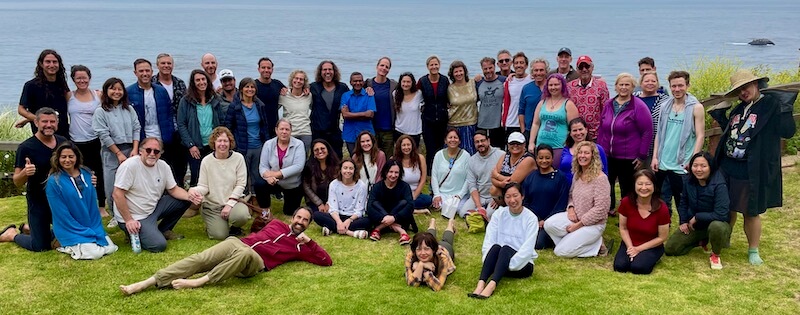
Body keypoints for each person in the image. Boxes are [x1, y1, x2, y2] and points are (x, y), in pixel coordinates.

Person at [119, 207, 331, 295]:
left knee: (247, 253)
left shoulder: (300, 247)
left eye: (305, 220)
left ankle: (200, 281)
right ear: (292, 218)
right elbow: (257, 230)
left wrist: (310, 242)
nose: (300, 222)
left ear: (308, 224)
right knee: (199, 258)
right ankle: (148, 282)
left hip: (254, 262)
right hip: (237, 244)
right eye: (298, 218)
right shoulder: (276, 224)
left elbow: (326, 261)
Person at [709, 70, 796, 265]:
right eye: (739, 89)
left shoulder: (770, 105)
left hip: (752, 167)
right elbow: (734, 134)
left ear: (756, 84)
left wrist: (786, 108)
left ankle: (753, 250)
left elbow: (788, 132)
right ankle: (724, 237)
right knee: (727, 206)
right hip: (728, 165)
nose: (743, 92)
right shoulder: (740, 108)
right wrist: (720, 114)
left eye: (746, 87)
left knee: (751, 210)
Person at [112, 137, 197, 252]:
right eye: (148, 150)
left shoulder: (163, 166)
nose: (152, 154)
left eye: (156, 151)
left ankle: (163, 230)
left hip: (153, 209)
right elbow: (117, 194)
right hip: (135, 216)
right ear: (140, 151)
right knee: (158, 245)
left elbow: (174, 189)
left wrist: (191, 197)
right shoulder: (129, 166)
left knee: (185, 199)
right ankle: (133, 233)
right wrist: (129, 220)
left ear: (160, 153)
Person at [0, 108, 68, 251]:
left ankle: (32, 230)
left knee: (71, 235)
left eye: (52, 122)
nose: (48, 125)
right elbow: (17, 182)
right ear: (36, 122)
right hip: (38, 201)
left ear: (57, 123)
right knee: (41, 246)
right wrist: (25, 172)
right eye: (44, 121)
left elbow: (74, 167)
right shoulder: (26, 147)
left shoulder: (63, 142)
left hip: (61, 199)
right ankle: (12, 234)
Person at [46, 142, 118, 260]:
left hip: (90, 225)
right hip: (69, 227)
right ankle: (62, 243)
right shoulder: (54, 181)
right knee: (95, 254)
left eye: (71, 156)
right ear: (58, 159)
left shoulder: (86, 174)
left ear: (77, 157)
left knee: (111, 247)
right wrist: (83, 231)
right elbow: (61, 213)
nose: (67, 160)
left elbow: (92, 206)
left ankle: (84, 242)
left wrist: (94, 228)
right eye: (63, 157)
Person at [469, 183, 538, 299]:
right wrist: (488, 260)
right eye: (508, 197)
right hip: (499, 262)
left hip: (521, 265)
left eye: (515, 196)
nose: (512, 200)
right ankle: (480, 285)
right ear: (504, 199)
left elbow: (527, 249)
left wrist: (505, 265)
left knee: (506, 249)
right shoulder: (499, 214)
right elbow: (489, 241)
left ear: (522, 196)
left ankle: (491, 285)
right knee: (496, 247)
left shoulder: (531, 218)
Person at [664, 152, 732, 270]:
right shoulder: (688, 181)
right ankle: (701, 240)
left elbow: (721, 214)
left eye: (703, 166)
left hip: (717, 223)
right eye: (695, 165)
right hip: (695, 225)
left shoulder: (719, 184)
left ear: (711, 167)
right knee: (671, 249)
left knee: (716, 227)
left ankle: (715, 254)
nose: (698, 169)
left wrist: (697, 217)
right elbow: (683, 202)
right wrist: (683, 221)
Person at [544, 141, 611, 258]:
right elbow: (571, 195)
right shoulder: (577, 175)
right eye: (580, 152)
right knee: (549, 224)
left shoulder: (601, 179)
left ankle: (596, 245)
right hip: (575, 218)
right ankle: (573, 242)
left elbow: (601, 209)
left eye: (586, 153)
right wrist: (570, 208)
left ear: (593, 156)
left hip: (593, 225)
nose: (582, 156)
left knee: (560, 252)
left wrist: (579, 225)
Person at [651, 71, 705, 214]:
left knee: (683, 203)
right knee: (661, 201)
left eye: (680, 85)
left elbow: (700, 136)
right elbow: (659, 133)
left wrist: (694, 160)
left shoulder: (696, 108)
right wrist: (655, 157)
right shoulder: (665, 106)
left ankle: (686, 230)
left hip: (682, 165)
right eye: (673, 86)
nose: (677, 89)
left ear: (687, 85)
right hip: (663, 162)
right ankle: (662, 229)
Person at [597, 73, 653, 212]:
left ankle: (626, 211)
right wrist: (598, 150)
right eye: (621, 84)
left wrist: (641, 155)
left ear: (633, 87)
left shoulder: (638, 106)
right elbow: (602, 128)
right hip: (608, 154)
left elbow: (647, 131)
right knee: (606, 182)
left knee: (626, 185)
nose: (623, 87)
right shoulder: (609, 104)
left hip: (628, 155)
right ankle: (608, 208)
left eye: (627, 85)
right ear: (615, 86)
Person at [92, 77, 141, 218]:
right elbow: (103, 134)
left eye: (119, 89)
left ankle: (132, 212)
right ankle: (116, 215)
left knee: (131, 183)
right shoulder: (100, 111)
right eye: (113, 88)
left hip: (131, 149)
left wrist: (135, 149)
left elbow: (136, 128)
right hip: (111, 151)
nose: (116, 92)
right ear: (106, 91)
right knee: (112, 184)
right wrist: (118, 153)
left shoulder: (129, 109)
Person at [190, 127, 250, 240]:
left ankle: (234, 227)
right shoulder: (206, 161)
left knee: (242, 215)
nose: (222, 144)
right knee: (220, 235)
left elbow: (241, 184)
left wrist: (229, 204)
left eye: (225, 141)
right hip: (213, 205)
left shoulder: (238, 158)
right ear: (214, 143)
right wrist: (194, 190)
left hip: (233, 203)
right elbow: (204, 186)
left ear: (230, 142)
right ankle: (213, 224)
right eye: (219, 141)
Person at [66, 65, 106, 216]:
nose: (82, 81)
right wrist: (26, 120)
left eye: (84, 77)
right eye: (78, 78)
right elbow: (56, 112)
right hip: (75, 141)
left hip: (94, 139)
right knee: (77, 172)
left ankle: (101, 205)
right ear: (73, 80)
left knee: (98, 173)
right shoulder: (69, 96)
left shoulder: (98, 95)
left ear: (89, 78)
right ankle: (81, 205)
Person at [614, 169, 670, 274]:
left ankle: (653, 256)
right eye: (640, 184)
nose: (643, 188)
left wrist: (638, 249)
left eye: (648, 184)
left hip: (652, 245)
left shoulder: (662, 208)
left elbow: (662, 237)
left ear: (654, 186)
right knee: (620, 266)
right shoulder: (626, 202)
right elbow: (623, 228)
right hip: (630, 242)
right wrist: (630, 247)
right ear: (634, 185)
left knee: (639, 268)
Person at [177, 69, 224, 186]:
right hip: (195, 146)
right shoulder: (186, 101)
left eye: (203, 79)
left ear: (208, 81)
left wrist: (219, 142)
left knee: (213, 175)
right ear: (193, 83)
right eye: (197, 80)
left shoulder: (215, 99)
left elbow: (221, 122)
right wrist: (191, 145)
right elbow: (181, 124)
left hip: (212, 145)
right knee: (196, 175)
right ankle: (195, 202)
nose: (201, 82)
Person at [225, 77, 270, 195]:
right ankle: (243, 200)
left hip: (258, 146)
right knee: (242, 176)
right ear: (241, 89)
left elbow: (264, 125)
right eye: (247, 87)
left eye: (252, 87)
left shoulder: (260, 105)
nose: (250, 89)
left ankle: (256, 198)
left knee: (257, 176)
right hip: (242, 147)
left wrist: (267, 143)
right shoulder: (235, 106)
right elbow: (228, 127)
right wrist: (232, 145)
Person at [522, 144, 569, 250]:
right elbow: (525, 201)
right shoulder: (531, 176)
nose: (544, 161)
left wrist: (546, 221)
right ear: (536, 159)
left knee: (538, 244)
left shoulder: (560, 177)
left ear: (552, 159)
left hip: (550, 222)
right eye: (541, 158)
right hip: (532, 219)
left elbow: (561, 204)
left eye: (547, 158)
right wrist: (535, 220)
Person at [153, 53, 189, 188]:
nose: (166, 66)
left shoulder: (179, 83)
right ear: (157, 65)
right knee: (163, 161)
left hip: (179, 129)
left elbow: (186, 105)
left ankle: (179, 188)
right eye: (163, 63)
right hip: (160, 129)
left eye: (169, 63)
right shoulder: (152, 83)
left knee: (180, 162)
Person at [527, 73, 579, 165]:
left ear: (562, 86)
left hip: (559, 147)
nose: (553, 87)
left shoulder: (568, 104)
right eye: (550, 85)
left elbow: (574, 128)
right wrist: (531, 142)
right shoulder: (542, 103)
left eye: (556, 84)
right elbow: (536, 124)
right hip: (541, 146)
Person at [16, 49, 70, 138]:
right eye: (48, 62)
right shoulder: (31, 85)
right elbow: (21, 109)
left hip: (63, 134)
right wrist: (37, 120)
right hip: (43, 134)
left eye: (55, 62)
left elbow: (70, 100)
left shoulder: (61, 84)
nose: (52, 65)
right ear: (41, 64)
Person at [312, 159, 371, 239]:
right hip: (337, 216)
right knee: (316, 215)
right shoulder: (334, 184)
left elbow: (359, 210)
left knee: (368, 221)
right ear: (340, 169)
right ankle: (351, 233)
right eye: (345, 168)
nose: (348, 171)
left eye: (351, 168)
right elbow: (333, 208)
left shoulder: (361, 186)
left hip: (353, 218)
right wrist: (339, 222)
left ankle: (331, 228)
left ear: (354, 170)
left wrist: (349, 220)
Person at [257, 119, 307, 215]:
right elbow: (263, 166)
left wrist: (276, 174)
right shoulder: (268, 144)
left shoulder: (299, 144)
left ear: (291, 131)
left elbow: (299, 166)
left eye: (287, 129)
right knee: (259, 184)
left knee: (289, 212)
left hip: (292, 184)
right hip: (273, 182)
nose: (284, 132)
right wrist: (268, 177)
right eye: (281, 129)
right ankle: (265, 211)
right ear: (276, 130)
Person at [127, 59, 175, 149]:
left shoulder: (161, 90)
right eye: (141, 71)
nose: (145, 74)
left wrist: (170, 133)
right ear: (135, 73)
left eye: (147, 70)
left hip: (163, 138)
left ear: (152, 72)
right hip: (141, 139)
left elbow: (169, 114)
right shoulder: (129, 92)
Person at [367, 160, 414, 244]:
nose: (393, 175)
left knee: (404, 202)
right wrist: (384, 217)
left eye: (396, 172)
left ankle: (378, 229)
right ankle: (401, 231)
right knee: (375, 203)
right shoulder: (377, 187)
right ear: (385, 172)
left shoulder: (405, 186)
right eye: (390, 172)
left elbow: (410, 206)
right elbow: (370, 206)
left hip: (399, 219)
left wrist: (394, 218)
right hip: (381, 218)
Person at [310, 60, 349, 158]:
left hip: (334, 131)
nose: (327, 72)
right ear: (320, 72)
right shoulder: (313, 87)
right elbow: (297, 93)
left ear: (334, 71)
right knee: (317, 160)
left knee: (336, 159)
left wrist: (367, 88)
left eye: (330, 69)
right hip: (317, 131)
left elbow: (353, 97)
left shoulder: (342, 88)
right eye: (324, 70)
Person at [461, 130, 504, 219]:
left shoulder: (501, 155)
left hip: (495, 196)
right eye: (477, 142)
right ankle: (480, 211)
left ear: (488, 141)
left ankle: (483, 214)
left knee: (489, 215)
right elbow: (472, 185)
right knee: (463, 213)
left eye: (482, 140)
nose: (480, 144)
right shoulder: (472, 160)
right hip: (480, 195)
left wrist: (499, 198)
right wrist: (479, 206)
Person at [405, 218, 457, 291]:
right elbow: (411, 283)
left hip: (445, 248)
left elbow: (437, 287)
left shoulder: (443, 257)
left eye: (426, 249)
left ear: (433, 250)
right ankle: (432, 223)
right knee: (427, 238)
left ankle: (450, 224)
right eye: (419, 249)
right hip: (431, 247)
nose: (422, 253)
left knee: (446, 241)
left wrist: (421, 269)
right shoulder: (410, 256)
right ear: (414, 250)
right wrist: (421, 265)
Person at [418, 55, 450, 172]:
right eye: (431, 65)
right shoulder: (422, 81)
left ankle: (441, 171)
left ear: (439, 65)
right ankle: (429, 174)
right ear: (427, 67)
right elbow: (414, 94)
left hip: (442, 119)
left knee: (441, 148)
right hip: (428, 120)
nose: (434, 67)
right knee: (430, 148)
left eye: (436, 64)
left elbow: (449, 96)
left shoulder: (444, 80)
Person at [430, 128, 470, 219]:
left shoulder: (466, 156)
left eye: (455, 138)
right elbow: (434, 176)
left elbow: (469, 178)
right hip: (442, 193)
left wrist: (460, 195)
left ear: (459, 141)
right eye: (450, 137)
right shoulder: (438, 155)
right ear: (445, 140)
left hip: (459, 194)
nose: (452, 140)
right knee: (438, 205)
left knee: (460, 209)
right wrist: (436, 194)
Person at [567, 55, 610, 140]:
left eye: (587, 66)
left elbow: (606, 110)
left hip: (595, 135)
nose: (584, 69)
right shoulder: (569, 86)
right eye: (581, 67)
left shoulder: (601, 86)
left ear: (592, 68)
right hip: (576, 134)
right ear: (577, 69)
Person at [365, 57, 398, 157]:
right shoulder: (368, 83)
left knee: (387, 159)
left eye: (387, 67)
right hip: (372, 128)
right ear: (377, 66)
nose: (384, 68)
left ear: (389, 70)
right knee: (372, 157)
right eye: (382, 65)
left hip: (388, 129)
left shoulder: (394, 85)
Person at [560, 117, 608, 185]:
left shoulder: (597, 148)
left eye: (580, 129)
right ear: (570, 133)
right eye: (575, 130)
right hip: (566, 189)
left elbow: (604, 171)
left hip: (588, 189)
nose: (578, 133)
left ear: (586, 130)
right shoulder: (566, 150)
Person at [491, 132, 535, 201]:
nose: (515, 145)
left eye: (518, 143)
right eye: (512, 143)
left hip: (522, 196)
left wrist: (497, 175)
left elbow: (512, 182)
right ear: (508, 145)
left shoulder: (528, 159)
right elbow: (492, 179)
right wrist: (501, 184)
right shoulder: (504, 156)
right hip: (505, 195)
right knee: (493, 190)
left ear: (524, 145)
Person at [447, 60, 478, 154]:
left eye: (460, 71)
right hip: (454, 125)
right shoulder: (449, 88)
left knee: (471, 153)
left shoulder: (473, 83)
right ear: (452, 74)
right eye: (456, 72)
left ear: (465, 71)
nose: (459, 73)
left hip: (471, 124)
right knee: (455, 153)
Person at [341, 72, 376, 155]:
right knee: (354, 159)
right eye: (355, 81)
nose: (358, 83)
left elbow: (370, 114)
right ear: (350, 82)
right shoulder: (345, 96)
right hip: (350, 134)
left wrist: (351, 114)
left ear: (363, 82)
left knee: (368, 159)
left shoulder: (369, 95)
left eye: (360, 81)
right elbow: (345, 115)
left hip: (367, 133)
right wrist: (364, 114)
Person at [393, 135, 431, 211]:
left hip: (415, 194)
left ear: (412, 145)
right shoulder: (394, 160)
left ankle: (405, 208)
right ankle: (414, 210)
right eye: (403, 145)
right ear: (399, 147)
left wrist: (414, 196)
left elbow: (423, 180)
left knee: (428, 200)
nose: (406, 147)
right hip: (400, 195)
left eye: (408, 145)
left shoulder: (420, 158)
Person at [476, 57, 507, 149]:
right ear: (482, 69)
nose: (488, 71)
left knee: (499, 151)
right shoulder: (478, 82)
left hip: (498, 124)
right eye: (485, 69)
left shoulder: (504, 81)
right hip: (482, 123)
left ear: (495, 67)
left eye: (490, 68)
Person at [279, 69, 313, 152]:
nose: (298, 81)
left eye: (301, 79)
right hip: (290, 133)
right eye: (296, 78)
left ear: (304, 82)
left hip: (305, 133)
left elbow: (314, 109)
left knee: (303, 160)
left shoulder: (309, 96)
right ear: (292, 80)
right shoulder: (283, 95)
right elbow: (273, 109)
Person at [302, 139, 340, 213]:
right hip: (314, 200)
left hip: (334, 199)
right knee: (317, 215)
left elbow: (339, 186)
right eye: (316, 150)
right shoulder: (309, 166)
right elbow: (306, 187)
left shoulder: (337, 166)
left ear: (328, 150)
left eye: (322, 148)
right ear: (313, 153)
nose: (320, 151)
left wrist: (329, 203)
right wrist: (319, 204)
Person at [501, 52, 533, 139]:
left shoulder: (532, 79)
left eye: (521, 63)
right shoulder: (509, 82)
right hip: (511, 123)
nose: (519, 65)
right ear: (513, 65)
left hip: (528, 123)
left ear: (526, 65)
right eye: (516, 63)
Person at [255, 57, 286, 138]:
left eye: (269, 68)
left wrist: (305, 88)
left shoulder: (277, 84)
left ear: (272, 69)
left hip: (274, 127)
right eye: (263, 67)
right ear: (258, 69)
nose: (266, 70)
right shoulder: (253, 86)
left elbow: (292, 94)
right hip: (258, 127)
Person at [518, 58, 548, 135]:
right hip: (529, 130)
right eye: (536, 70)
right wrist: (523, 130)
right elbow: (521, 111)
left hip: (548, 130)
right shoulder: (526, 88)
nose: (538, 73)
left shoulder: (552, 87)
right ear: (532, 72)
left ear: (546, 71)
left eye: (541, 70)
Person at [393, 72, 423, 146]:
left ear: (412, 83)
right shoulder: (395, 94)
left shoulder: (419, 94)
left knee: (413, 155)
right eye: (403, 81)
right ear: (400, 82)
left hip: (415, 131)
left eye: (408, 82)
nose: (406, 84)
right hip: (399, 130)